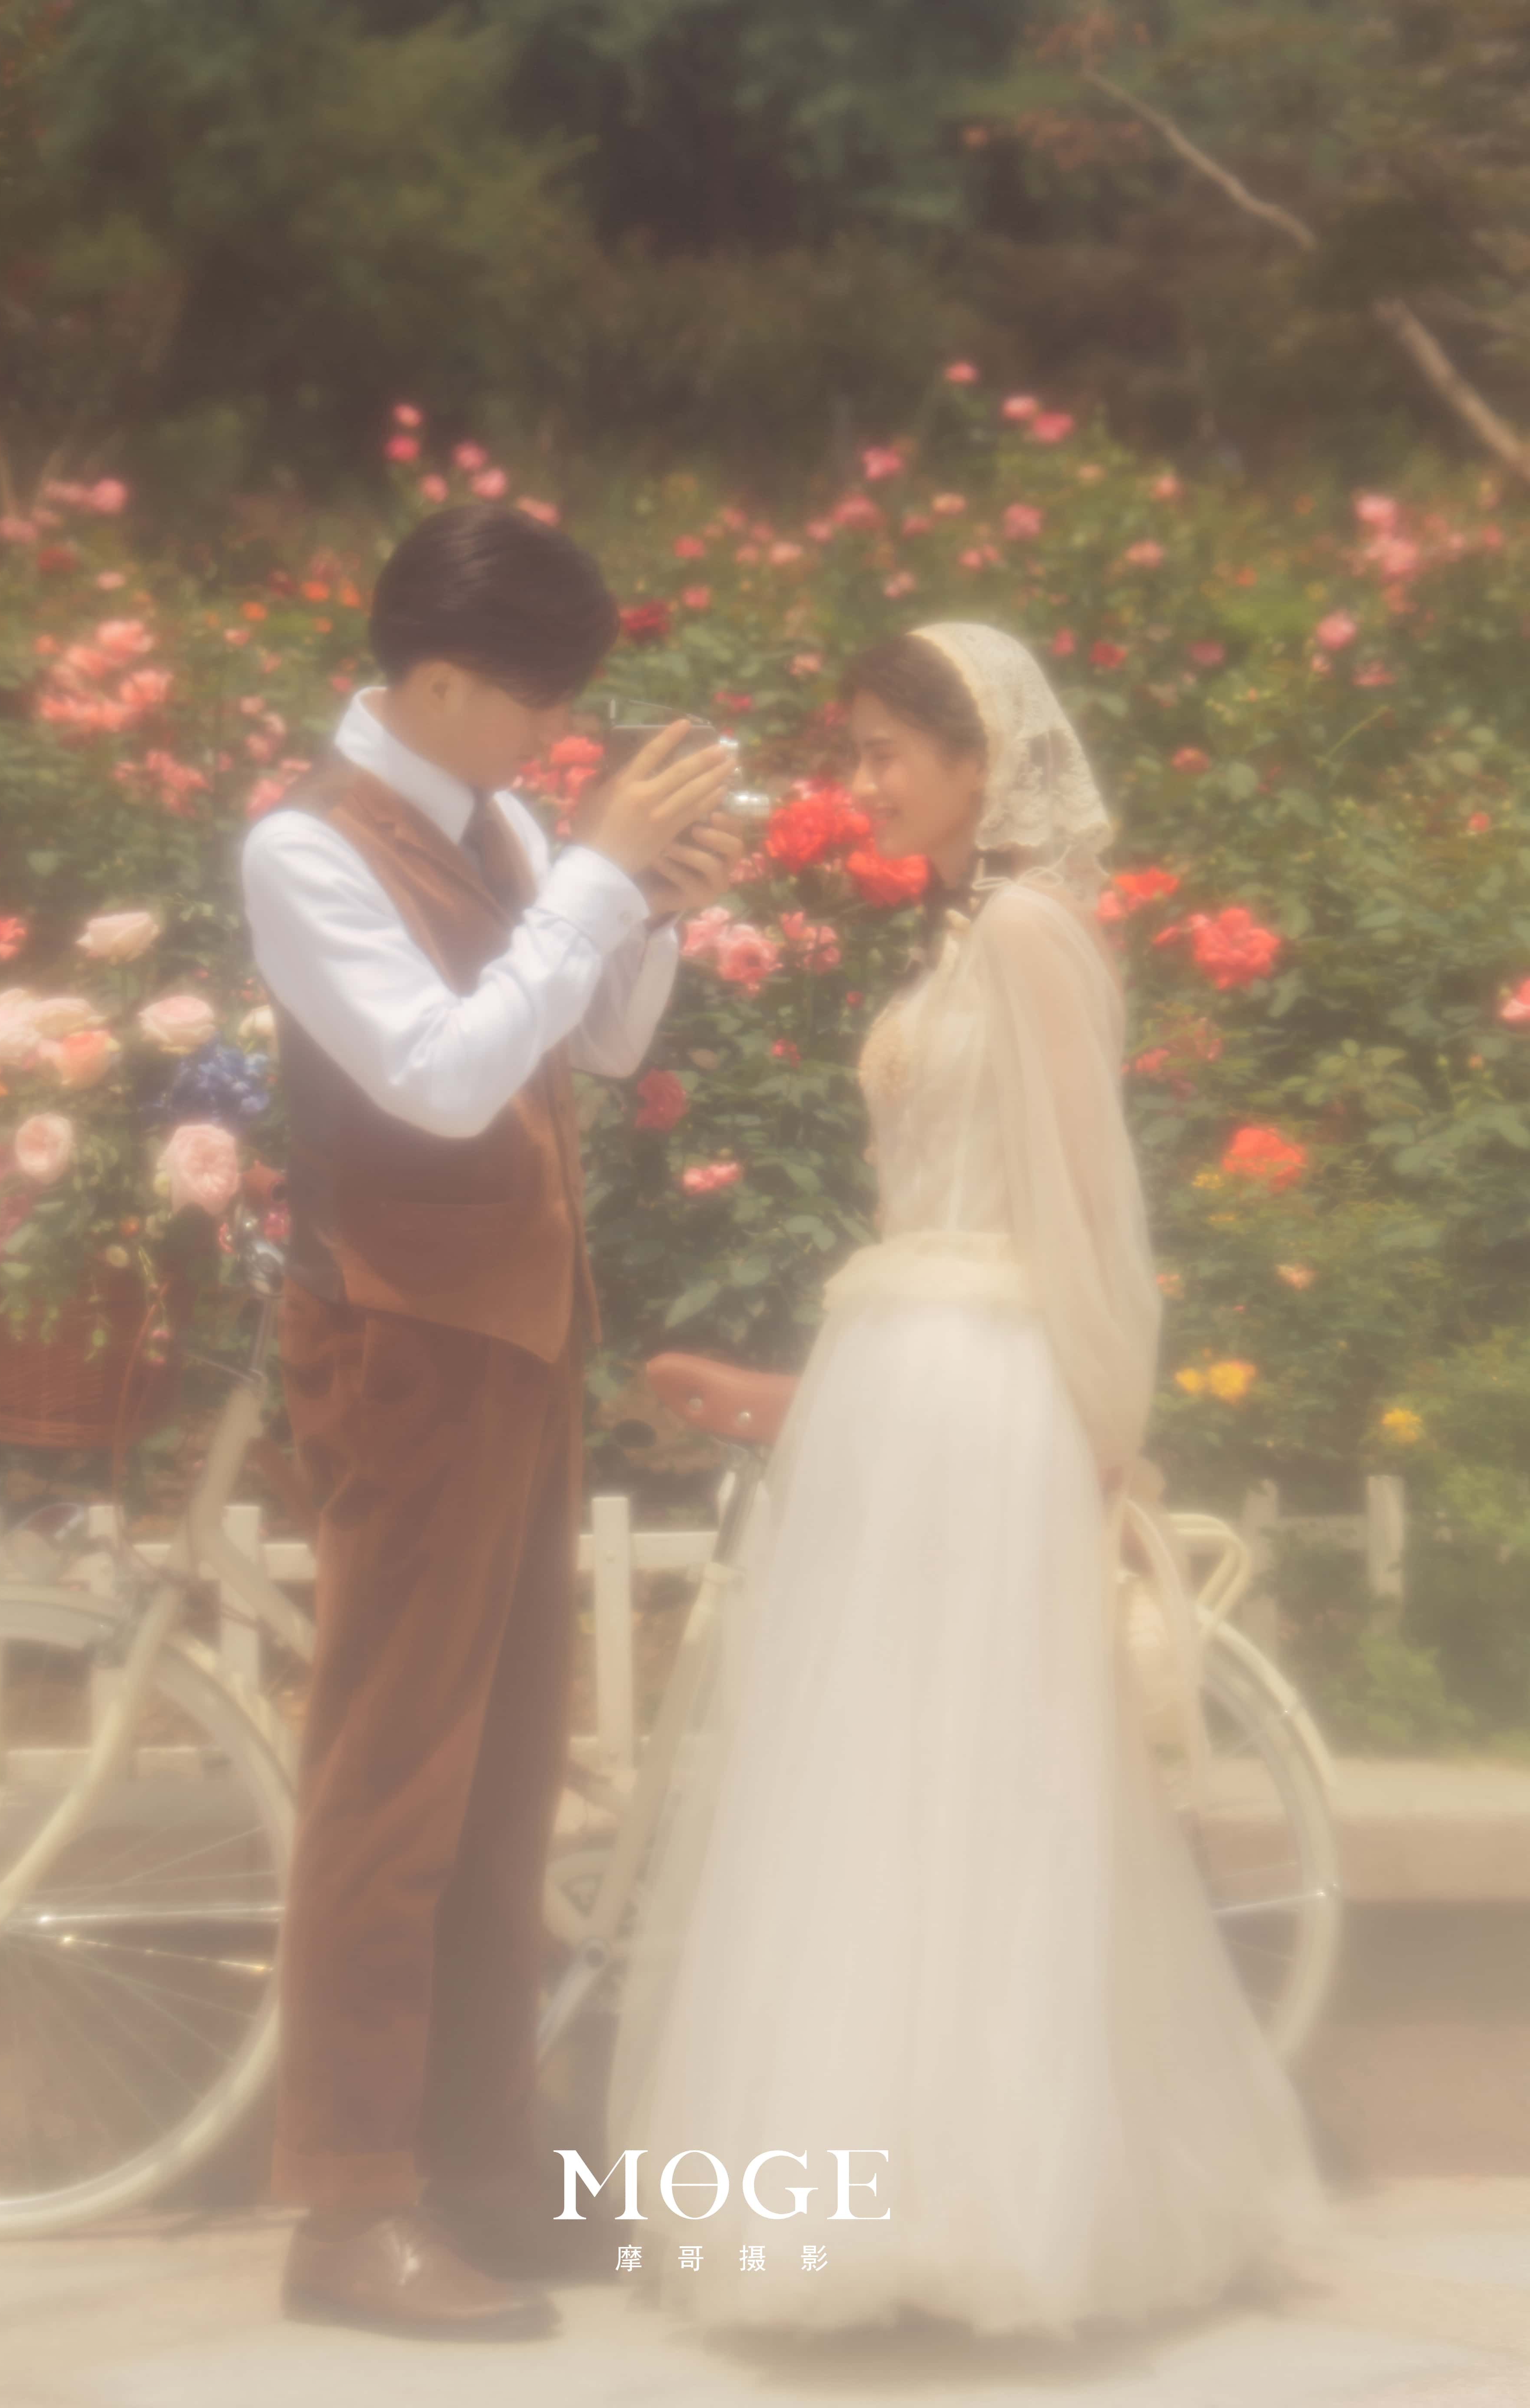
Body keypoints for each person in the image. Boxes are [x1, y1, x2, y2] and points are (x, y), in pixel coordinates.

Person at [602, 621, 1332, 2339]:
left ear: (977, 758)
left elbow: (1086, 1198)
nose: (858, 782)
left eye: (884, 753)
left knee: (980, 1785)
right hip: (905, 1381)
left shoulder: (1023, 934)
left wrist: (1102, 1426)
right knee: (882, 1781)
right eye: (853, 751)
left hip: (985, 1388)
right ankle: (878, 2196)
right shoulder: (966, 936)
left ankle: (990, 2206)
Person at [240, 501, 743, 2340]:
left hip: (514, 1337)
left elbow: (594, 1044)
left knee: (507, 1770)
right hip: (399, 1348)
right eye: (539, 702)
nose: (557, 739)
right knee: (393, 1778)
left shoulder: (503, 825)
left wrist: (643, 905)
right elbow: (445, 1080)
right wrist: (593, 879)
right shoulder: (304, 848)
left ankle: (479, 2162)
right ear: (442, 679)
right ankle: (346, 2209)